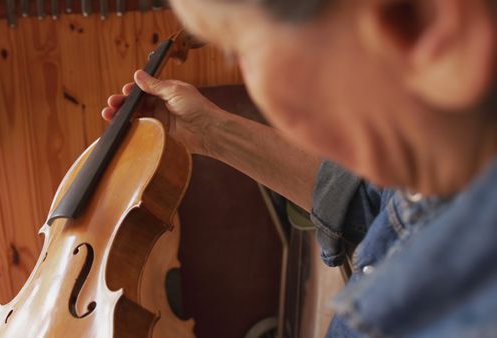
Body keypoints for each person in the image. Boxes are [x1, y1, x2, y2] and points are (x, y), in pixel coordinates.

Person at [101, 0, 497, 337]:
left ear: (427, 26)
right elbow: (369, 207)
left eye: (241, 50)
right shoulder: (441, 163)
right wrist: (209, 132)